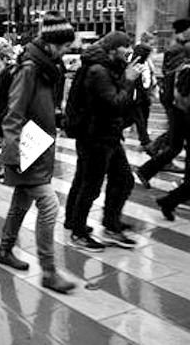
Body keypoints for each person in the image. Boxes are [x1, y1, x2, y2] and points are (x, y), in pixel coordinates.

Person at [0, 13, 76, 294]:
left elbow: (36, 106)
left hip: (39, 148)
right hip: (25, 151)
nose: (68, 51)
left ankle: (5, 250)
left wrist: (55, 115)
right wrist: (13, 154)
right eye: (65, 45)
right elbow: (14, 113)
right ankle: (49, 271)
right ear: (52, 43)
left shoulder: (47, 67)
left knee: (21, 202)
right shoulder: (30, 68)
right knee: (50, 206)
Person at [67, 32, 143, 251]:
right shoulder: (98, 71)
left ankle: (111, 225)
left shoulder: (107, 67)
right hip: (95, 137)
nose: (129, 50)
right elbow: (114, 103)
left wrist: (126, 77)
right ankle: (79, 232)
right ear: (112, 50)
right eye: (125, 46)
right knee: (91, 186)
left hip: (107, 135)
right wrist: (128, 80)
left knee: (123, 180)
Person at [136, 19, 190, 187]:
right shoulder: (179, 50)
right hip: (178, 104)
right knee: (176, 144)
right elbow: (174, 76)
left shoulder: (179, 48)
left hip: (176, 103)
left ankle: (146, 170)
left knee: (175, 145)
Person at [130, 43, 156, 148]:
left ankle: (144, 139)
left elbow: (149, 76)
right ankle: (145, 141)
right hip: (136, 96)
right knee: (139, 118)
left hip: (145, 94)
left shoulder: (146, 63)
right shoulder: (133, 63)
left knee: (144, 116)